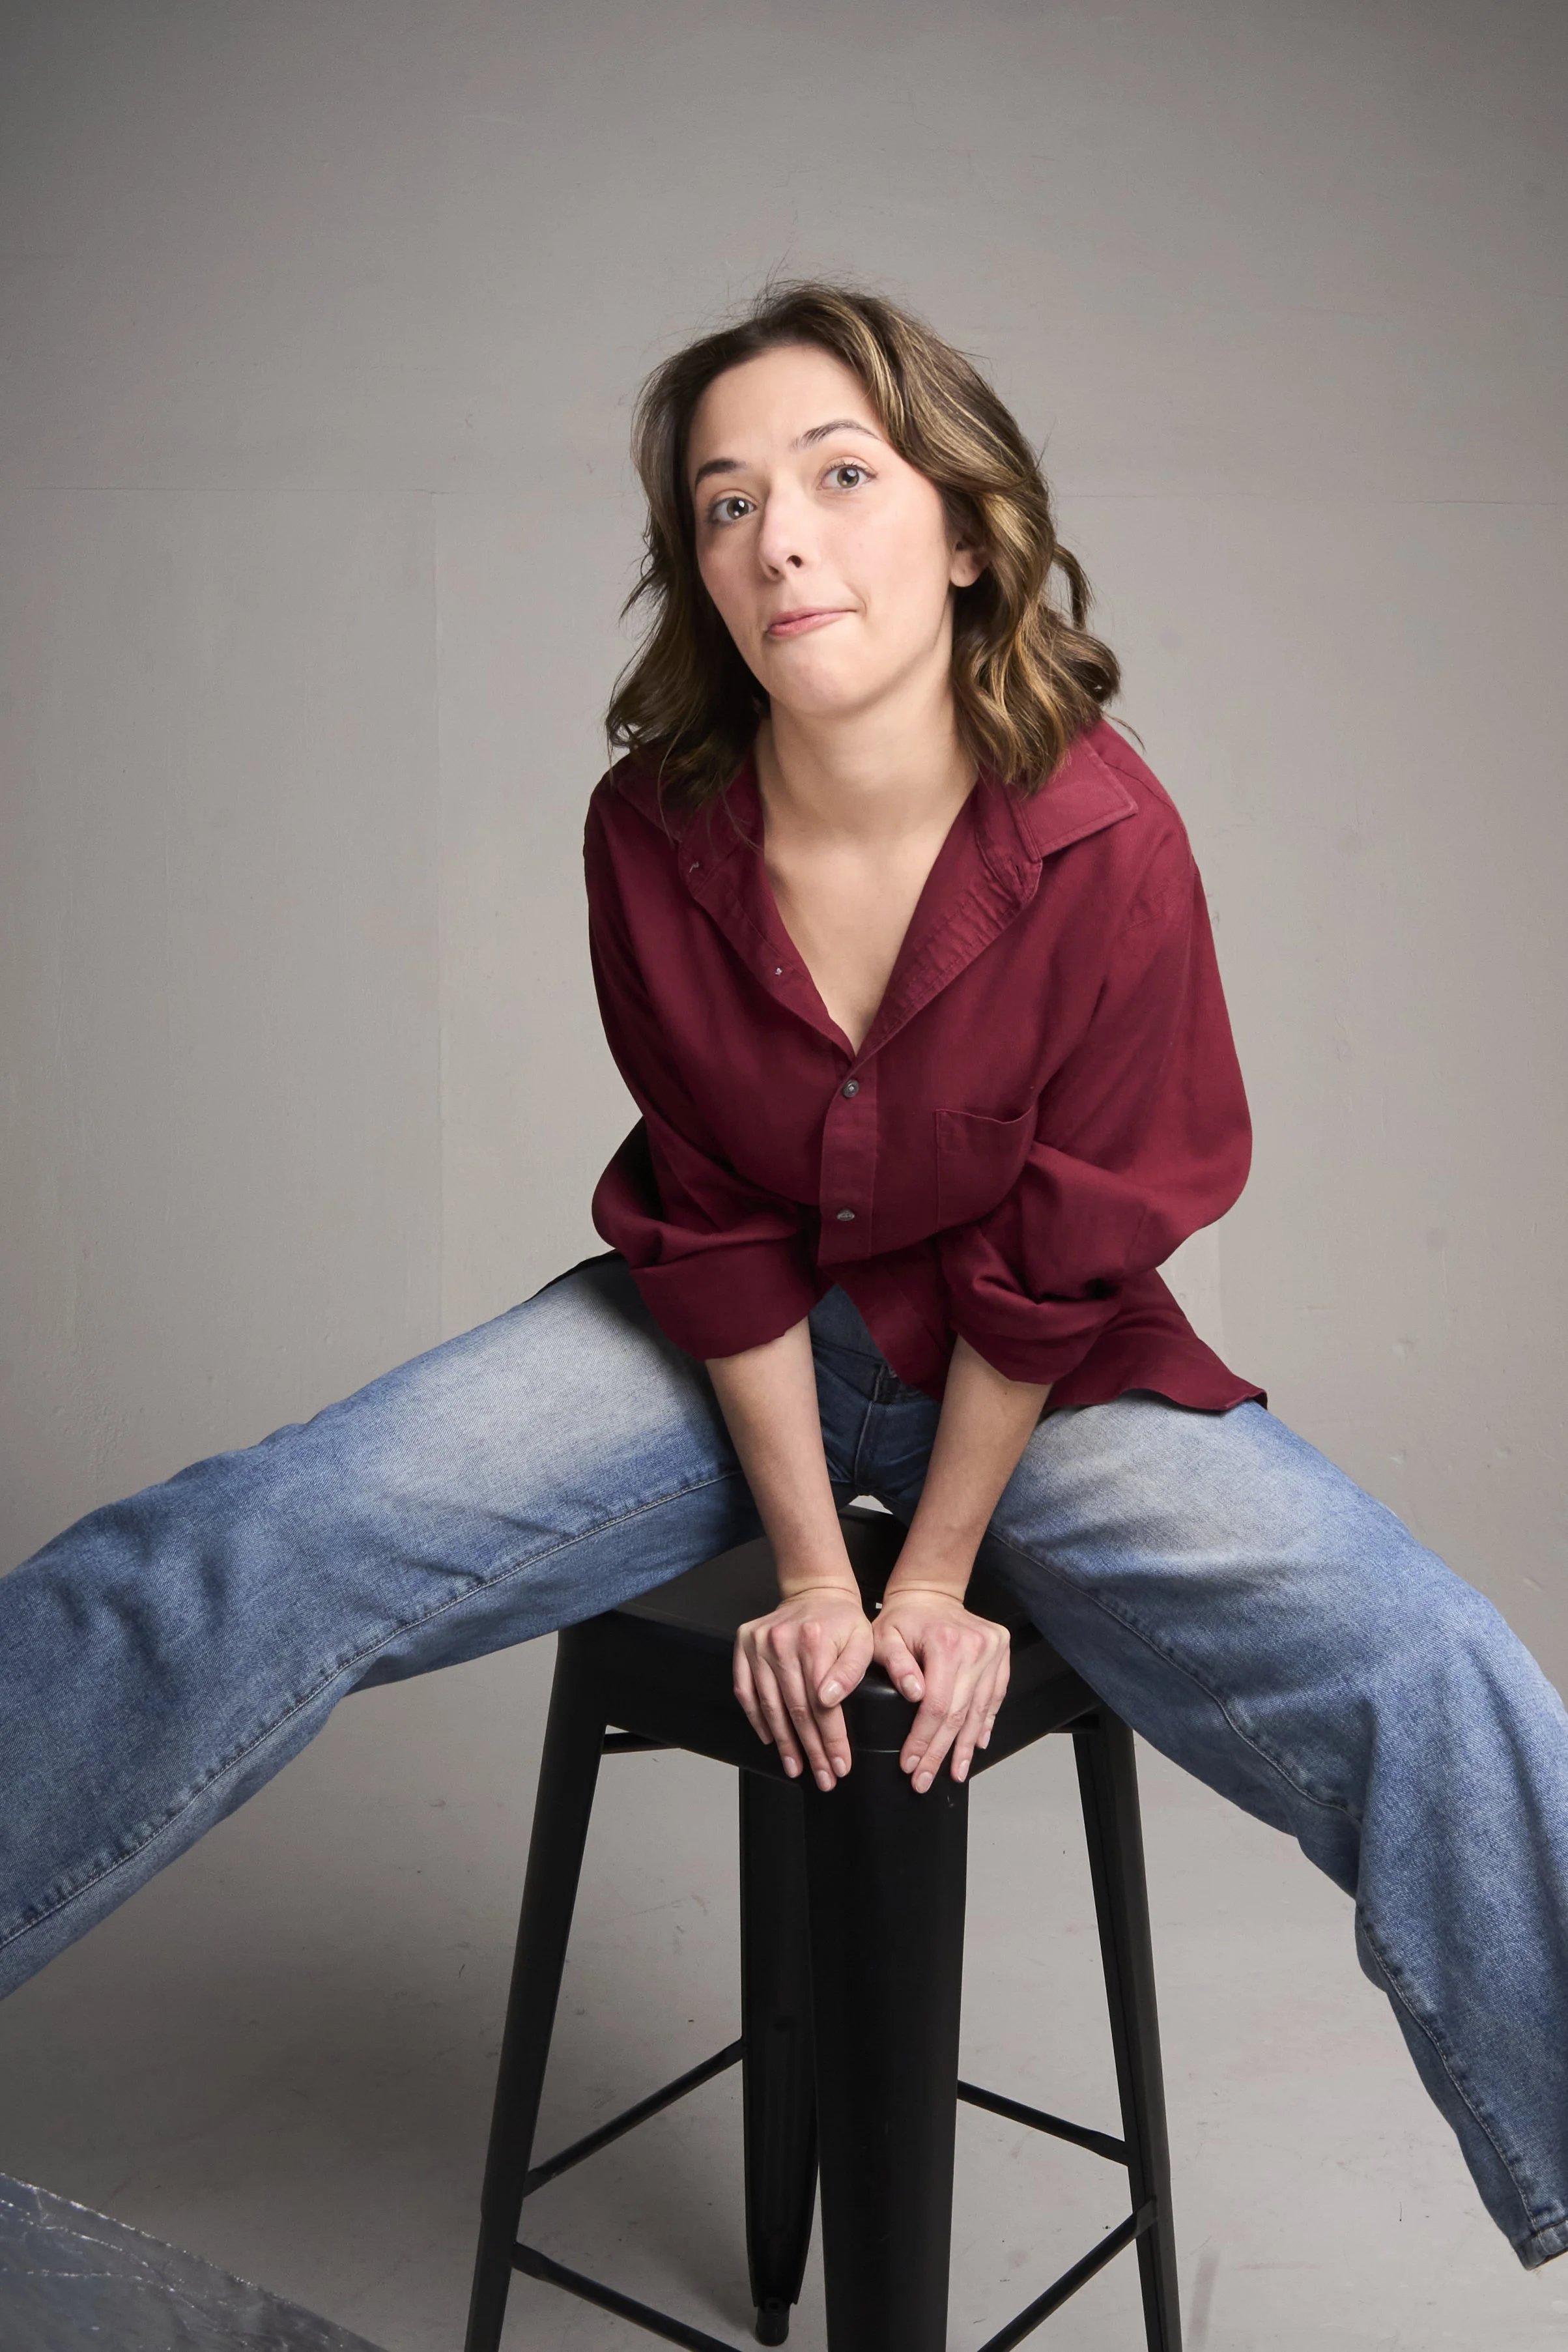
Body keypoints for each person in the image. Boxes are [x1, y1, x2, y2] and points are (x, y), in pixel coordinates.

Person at [2, 280, 1565, 2280]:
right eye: (723, 505)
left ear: (968, 530)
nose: (780, 540)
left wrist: (927, 1580)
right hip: (718, 1349)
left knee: (1430, 1672)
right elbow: (717, 1224)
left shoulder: (1107, 840)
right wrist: (816, 1573)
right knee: (226, 1549)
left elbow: (1062, 1245)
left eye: (840, 475)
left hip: (1045, 1365)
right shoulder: (650, 835)